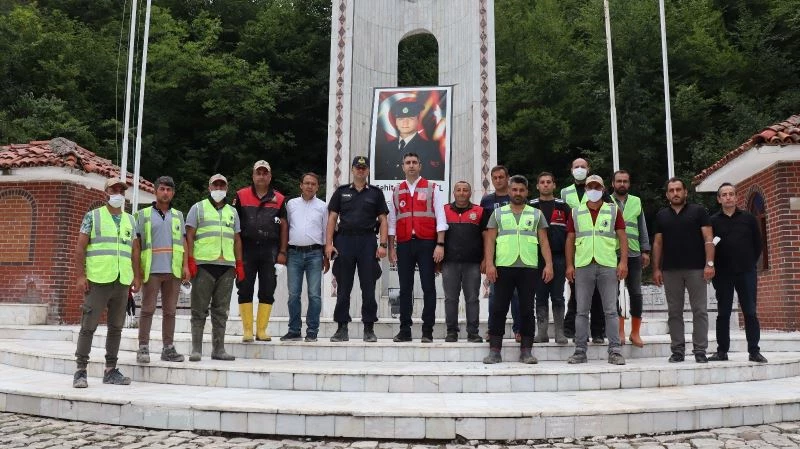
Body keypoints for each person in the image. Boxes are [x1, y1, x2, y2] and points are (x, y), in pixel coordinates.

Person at [72, 177, 141, 388]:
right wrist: (80, 276)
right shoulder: (92, 217)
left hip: (122, 281)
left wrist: (137, 276)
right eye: (114, 189)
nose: (118, 193)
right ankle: (80, 370)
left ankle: (110, 370)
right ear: (106, 193)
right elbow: (80, 248)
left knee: (116, 327)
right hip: (98, 279)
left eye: (122, 190)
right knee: (88, 326)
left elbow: (135, 250)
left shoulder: (131, 220)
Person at [483, 175, 553, 364]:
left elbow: (544, 241)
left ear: (527, 192)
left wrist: (548, 264)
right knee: (498, 309)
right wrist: (489, 264)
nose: (518, 193)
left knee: (526, 310)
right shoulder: (498, 213)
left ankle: (526, 351)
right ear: (509, 191)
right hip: (503, 266)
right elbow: (489, 240)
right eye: (514, 190)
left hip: (528, 267)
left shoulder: (536, 214)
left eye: (521, 190)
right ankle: (495, 351)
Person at [565, 175, 629, 365]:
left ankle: (615, 351)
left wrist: (623, 262)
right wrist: (569, 265)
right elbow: (570, 239)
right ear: (585, 189)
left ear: (602, 189)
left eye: (597, 186)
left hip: (607, 264)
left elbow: (622, 237)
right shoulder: (576, 212)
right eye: (590, 186)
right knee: (581, 311)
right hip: (583, 264)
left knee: (610, 310)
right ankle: (580, 351)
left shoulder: (613, 210)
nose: (593, 189)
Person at [326, 156, 389, 342]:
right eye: (358, 167)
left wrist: (383, 244)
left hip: (367, 241)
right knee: (344, 287)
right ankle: (341, 328)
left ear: (368, 170)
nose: (361, 170)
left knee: (368, 287)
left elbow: (383, 220)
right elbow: (332, 218)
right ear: (352, 170)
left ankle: (369, 328)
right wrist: (329, 244)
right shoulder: (342, 192)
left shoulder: (376, 193)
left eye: (364, 168)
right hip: (345, 241)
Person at [388, 152, 449, 342]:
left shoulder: (432, 187)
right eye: (408, 163)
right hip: (404, 243)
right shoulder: (397, 191)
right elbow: (391, 222)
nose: (411, 165)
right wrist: (391, 247)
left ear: (420, 166)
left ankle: (427, 331)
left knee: (428, 287)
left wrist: (440, 244)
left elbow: (441, 217)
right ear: (403, 166)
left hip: (427, 243)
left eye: (415, 162)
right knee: (405, 288)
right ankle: (405, 330)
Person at [652, 177, 713, 363]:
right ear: (667, 194)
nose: (675, 193)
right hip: (670, 270)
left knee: (700, 311)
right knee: (674, 312)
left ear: (685, 192)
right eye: (671, 190)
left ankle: (700, 350)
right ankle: (677, 351)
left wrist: (709, 264)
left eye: (679, 189)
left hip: (697, 269)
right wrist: (656, 268)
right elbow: (658, 243)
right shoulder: (661, 215)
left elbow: (708, 238)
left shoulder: (699, 211)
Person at [185, 174, 244, 362]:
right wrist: (190, 261)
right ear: (209, 188)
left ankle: (219, 349)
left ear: (226, 188)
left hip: (226, 266)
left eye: (222, 185)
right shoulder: (198, 208)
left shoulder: (232, 212)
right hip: (203, 266)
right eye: (215, 185)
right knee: (199, 309)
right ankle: (196, 349)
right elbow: (189, 236)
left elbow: (236, 239)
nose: (218, 188)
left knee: (221, 311)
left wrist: (239, 263)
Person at [709, 183, 767, 363]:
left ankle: (754, 351)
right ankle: (722, 351)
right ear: (719, 199)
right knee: (723, 313)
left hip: (746, 272)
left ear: (736, 197)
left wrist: (749, 262)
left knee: (750, 311)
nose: (728, 197)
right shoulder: (713, 221)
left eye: (731, 194)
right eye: (724, 194)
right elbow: (709, 246)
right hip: (723, 273)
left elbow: (758, 244)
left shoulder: (749, 219)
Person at [134, 176, 189, 364]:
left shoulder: (179, 215)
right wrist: (137, 272)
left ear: (173, 193)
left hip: (172, 270)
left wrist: (185, 265)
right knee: (147, 310)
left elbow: (183, 241)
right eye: (162, 189)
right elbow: (137, 244)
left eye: (169, 190)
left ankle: (168, 348)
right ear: (155, 191)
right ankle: (143, 348)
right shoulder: (143, 215)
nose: (165, 192)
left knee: (170, 312)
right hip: (151, 270)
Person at [233, 160, 288, 342]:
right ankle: (247, 330)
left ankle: (261, 330)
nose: (262, 176)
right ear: (253, 175)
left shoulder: (279, 199)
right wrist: (237, 255)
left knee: (267, 289)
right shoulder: (240, 195)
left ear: (270, 176)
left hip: (269, 250)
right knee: (244, 288)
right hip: (247, 248)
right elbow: (235, 227)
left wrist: (282, 252)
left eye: (265, 173)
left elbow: (284, 227)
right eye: (259, 172)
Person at [561, 157, 606, 343]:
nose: (579, 169)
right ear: (571, 169)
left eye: (583, 166)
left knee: (598, 294)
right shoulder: (565, 192)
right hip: (576, 248)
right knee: (576, 292)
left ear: (589, 169)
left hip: (597, 249)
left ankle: (597, 331)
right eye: (576, 166)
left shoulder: (600, 191)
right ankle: (570, 327)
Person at [282, 173, 329, 342]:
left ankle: (312, 331)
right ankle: (294, 330)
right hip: (293, 253)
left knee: (314, 295)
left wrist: (326, 255)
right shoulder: (291, 205)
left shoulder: (323, 207)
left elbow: (325, 231)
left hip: (315, 254)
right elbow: (285, 229)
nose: (310, 186)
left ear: (317, 187)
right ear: (300, 185)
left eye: (313, 184)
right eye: (307, 183)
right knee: (293, 294)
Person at [442, 181, 488, 343]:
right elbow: (438, 236)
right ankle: (451, 331)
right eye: (458, 190)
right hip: (449, 262)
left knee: (472, 298)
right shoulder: (444, 210)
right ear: (453, 193)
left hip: (473, 263)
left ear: (470, 193)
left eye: (465, 190)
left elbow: (486, 238)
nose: (462, 193)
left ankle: (473, 332)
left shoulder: (480, 211)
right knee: (450, 298)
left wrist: (485, 260)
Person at [480, 165, 521, 342]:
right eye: (495, 177)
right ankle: (493, 330)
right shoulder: (487, 201)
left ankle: (519, 330)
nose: (498, 180)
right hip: (496, 256)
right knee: (495, 296)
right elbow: (484, 232)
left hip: (518, 255)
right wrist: (485, 258)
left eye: (501, 177)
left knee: (518, 296)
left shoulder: (518, 198)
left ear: (507, 178)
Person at [611, 170, 651, 347]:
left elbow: (642, 226)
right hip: (612, 252)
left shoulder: (636, 201)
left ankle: (635, 332)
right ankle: (619, 331)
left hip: (634, 253)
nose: (622, 184)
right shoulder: (606, 202)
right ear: (613, 183)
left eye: (625, 181)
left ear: (629, 183)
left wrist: (645, 250)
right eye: (619, 181)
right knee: (615, 294)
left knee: (635, 292)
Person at [530, 172, 570, 344]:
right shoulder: (530, 206)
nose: (545, 185)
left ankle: (560, 332)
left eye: (549, 182)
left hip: (559, 257)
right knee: (540, 295)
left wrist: (570, 262)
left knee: (558, 296)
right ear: (537, 186)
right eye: (542, 182)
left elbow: (571, 235)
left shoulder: (563, 206)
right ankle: (542, 332)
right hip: (536, 258)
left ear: (554, 185)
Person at [374, 100, 444, 181]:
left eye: (410, 119)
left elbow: (433, 179)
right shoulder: (384, 148)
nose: (405, 123)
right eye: (400, 119)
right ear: (396, 122)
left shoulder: (430, 148)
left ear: (418, 120)